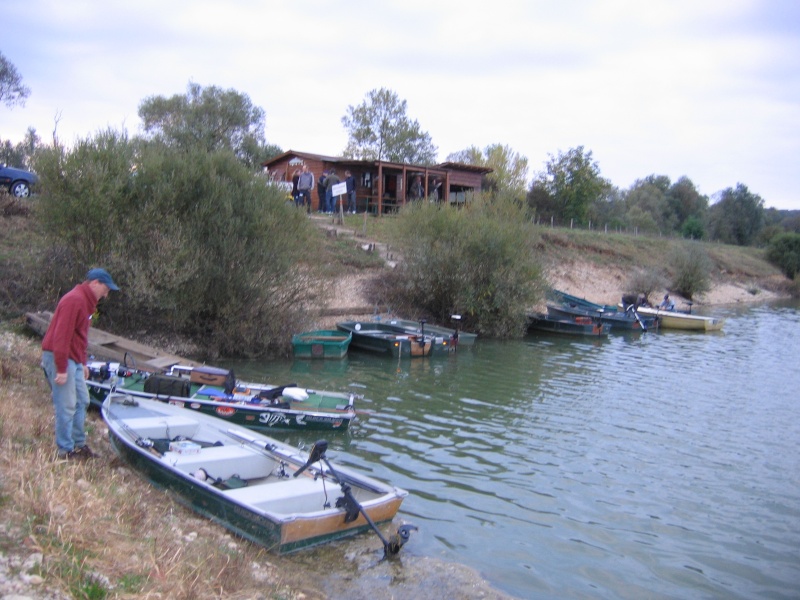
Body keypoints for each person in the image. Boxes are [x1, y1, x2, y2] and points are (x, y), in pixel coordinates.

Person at [41, 268, 120, 460]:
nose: (106, 293)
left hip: (73, 359)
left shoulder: (87, 304)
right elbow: (61, 336)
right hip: (60, 356)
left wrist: (82, 363)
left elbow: (80, 336)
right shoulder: (74, 300)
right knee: (66, 404)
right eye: (105, 288)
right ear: (94, 283)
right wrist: (61, 369)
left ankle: (78, 445)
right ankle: (65, 450)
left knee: (82, 401)